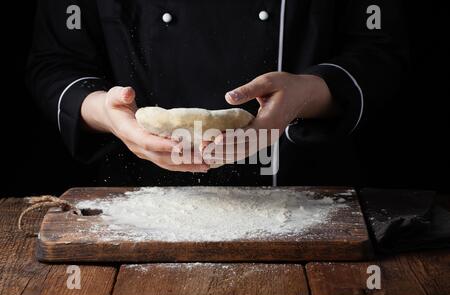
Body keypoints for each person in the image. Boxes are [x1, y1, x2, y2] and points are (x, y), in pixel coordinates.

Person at [27, 0, 408, 187]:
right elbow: (58, 62)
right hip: (139, 201)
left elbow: (378, 49)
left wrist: (308, 93)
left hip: (305, 189)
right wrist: (108, 113)